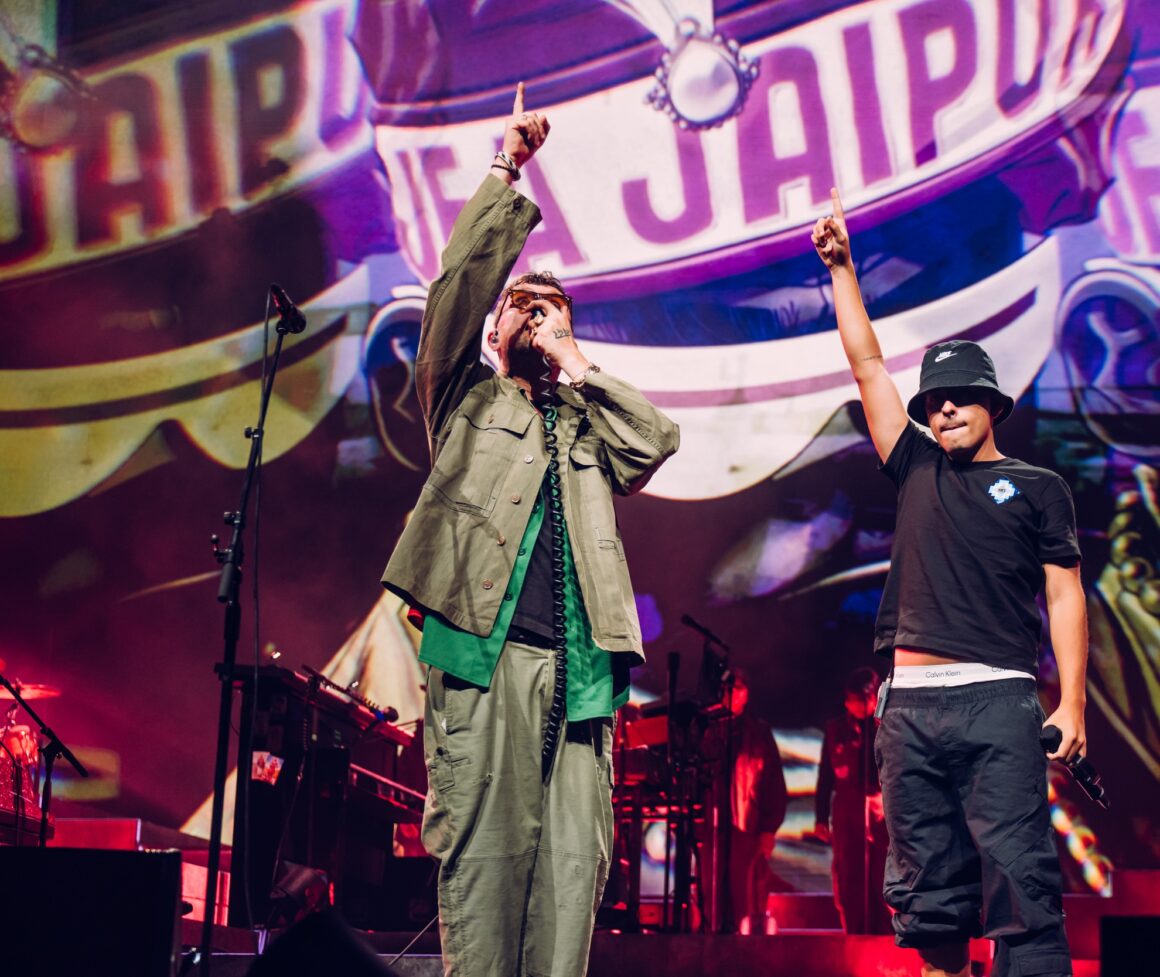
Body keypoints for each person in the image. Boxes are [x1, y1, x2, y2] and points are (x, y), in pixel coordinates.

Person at [381, 84, 680, 977]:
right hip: (485, 657)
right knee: (486, 864)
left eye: (552, 308)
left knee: (571, 875)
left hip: (582, 672)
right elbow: (455, 293)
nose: (535, 314)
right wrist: (506, 167)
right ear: (493, 330)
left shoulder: (586, 423)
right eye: (521, 304)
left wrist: (576, 362)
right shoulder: (464, 400)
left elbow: (654, 442)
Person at [812, 189, 1087, 977]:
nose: (945, 410)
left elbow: (1065, 594)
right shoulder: (914, 463)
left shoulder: (1037, 487)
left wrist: (1072, 703)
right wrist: (841, 269)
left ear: (992, 404)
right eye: (934, 401)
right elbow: (868, 364)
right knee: (929, 900)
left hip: (998, 699)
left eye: (961, 396)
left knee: (1022, 890)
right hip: (911, 709)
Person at [705, 669, 788, 935]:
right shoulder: (708, 729)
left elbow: (774, 783)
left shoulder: (759, 732)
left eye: (738, 689)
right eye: (728, 689)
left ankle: (744, 949)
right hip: (712, 827)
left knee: (745, 894)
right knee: (711, 893)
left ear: (746, 694)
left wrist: (769, 829)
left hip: (747, 827)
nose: (732, 694)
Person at [812, 667, 891, 934]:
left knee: (881, 873)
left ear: (872, 698)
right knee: (848, 875)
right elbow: (826, 775)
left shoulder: (888, 727)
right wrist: (821, 817)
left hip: (880, 813)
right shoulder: (837, 729)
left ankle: (884, 935)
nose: (852, 706)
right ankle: (854, 934)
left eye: (858, 700)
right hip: (847, 812)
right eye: (849, 701)